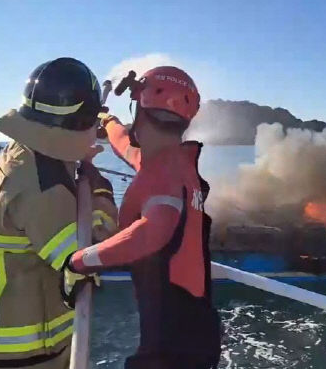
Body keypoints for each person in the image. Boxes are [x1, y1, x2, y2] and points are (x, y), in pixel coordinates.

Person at [0, 57, 118, 369]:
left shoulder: (24, 153)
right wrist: (100, 190)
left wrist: (74, 154)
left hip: (1, 345)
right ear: (77, 124)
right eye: (93, 122)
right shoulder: (45, 188)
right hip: (24, 354)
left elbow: (54, 154)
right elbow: (95, 251)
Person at [64, 66, 222, 369]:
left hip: (173, 350)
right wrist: (106, 120)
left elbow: (153, 232)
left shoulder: (163, 174)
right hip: (195, 332)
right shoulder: (169, 160)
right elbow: (125, 144)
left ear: (139, 108)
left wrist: (77, 262)